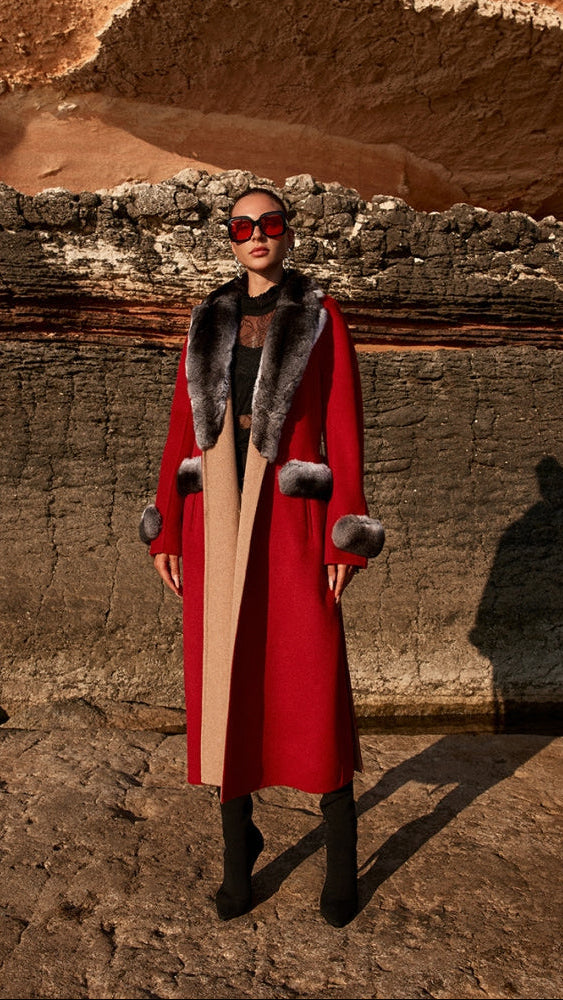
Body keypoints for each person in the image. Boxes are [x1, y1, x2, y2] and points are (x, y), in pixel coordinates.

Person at [140, 185, 384, 926]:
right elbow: (183, 425)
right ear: (230, 238)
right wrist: (167, 527)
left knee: (310, 673)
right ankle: (236, 848)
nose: (256, 235)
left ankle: (339, 855)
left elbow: (343, 422)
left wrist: (348, 527)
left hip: (291, 517)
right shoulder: (206, 316)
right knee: (224, 678)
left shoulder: (318, 312)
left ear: (285, 234)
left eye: (268, 224)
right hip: (215, 513)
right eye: (242, 225)